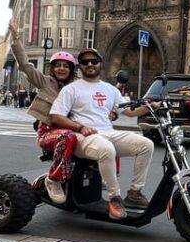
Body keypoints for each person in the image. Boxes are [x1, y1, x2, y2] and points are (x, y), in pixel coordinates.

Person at [50, 47, 156, 220]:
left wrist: (151, 107)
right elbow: (56, 116)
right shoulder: (71, 89)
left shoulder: (110, 89)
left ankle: (134, 194)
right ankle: (114, 198)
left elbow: (129, 111)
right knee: (107, 149)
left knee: (146, 145)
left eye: (94, 61)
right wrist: (80, 127)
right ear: (80, 66)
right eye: (85, 62)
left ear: (101, 64)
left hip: (107, 132)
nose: (90, 64)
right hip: (83, 137)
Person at [9, 20, 80, 204]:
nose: (61, 68)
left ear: (71, 70)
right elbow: (25, 65)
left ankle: (101, 178)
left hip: (71, 131)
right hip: (48, 132)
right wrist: (16, 38)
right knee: (67, 136)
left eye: (66, 66)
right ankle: (53, 179)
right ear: (52, 69)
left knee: (106, 135)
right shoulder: (45, 82)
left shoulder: (76, 88)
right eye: (58, 65)